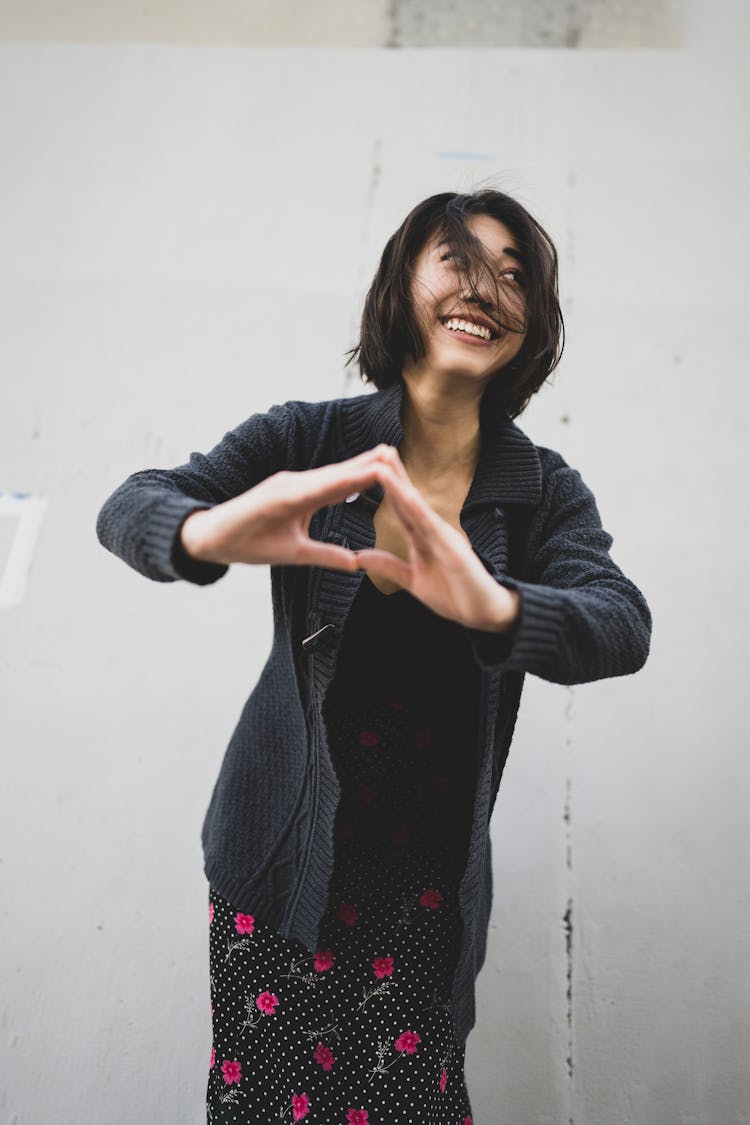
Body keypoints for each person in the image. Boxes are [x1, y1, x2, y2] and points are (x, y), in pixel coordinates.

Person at [95, 189, 652, 1124]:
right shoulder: (308, 439)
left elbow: (620, 622)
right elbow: (131, 502)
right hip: (278, 854)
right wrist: (208, 527)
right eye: (461, 261)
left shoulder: (544, 489)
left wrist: (496, 601)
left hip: (427, 882)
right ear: (404, 282)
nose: (487, 289)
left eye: (516, 276)